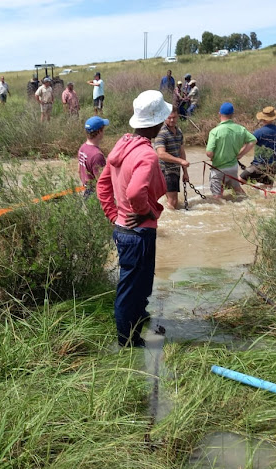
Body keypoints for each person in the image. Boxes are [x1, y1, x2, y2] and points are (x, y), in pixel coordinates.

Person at [96, 90, 171, 347]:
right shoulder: (147, 155)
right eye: (161, 120)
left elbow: (102, 185)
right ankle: (127, 341)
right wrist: (145, 212)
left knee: (140, 284)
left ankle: (139, 319)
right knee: (130, 290)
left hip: (124, 229)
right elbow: (136, 192)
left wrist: (113, 215)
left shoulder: (122, 145)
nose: (163, 124)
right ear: (156, 123)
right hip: (139, 231)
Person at [205, 102, 256, 201]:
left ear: (219, 114)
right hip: (233, 167)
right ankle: (249, 202)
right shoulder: (241, 129)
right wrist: (240, 155)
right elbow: (253, 140)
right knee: (237, 190)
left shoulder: (215, 131)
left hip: (218, 169)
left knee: (217, 197)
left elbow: (209, 152)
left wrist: (212, 157)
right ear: (232, 115)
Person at [154, 107, 190, 210]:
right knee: (173, 201)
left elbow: (181, 152)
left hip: (176, 170)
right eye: (169, 118)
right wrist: (180, 161)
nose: (172, 120)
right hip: (166, 170)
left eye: (174, 117)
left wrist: (185, 172)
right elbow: (161, 154)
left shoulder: (179, 131)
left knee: (171, 199)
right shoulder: (161, 133)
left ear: (178, 116)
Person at [240, 106, 276, 186]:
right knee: (267, 189)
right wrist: (275, 160)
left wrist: (238, 156)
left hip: (258, 165)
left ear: (262, 119)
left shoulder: (259, 132)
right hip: (272, 166)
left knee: (240, 180)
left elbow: (248, 146)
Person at [78, 116, 109, 197]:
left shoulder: (82, 148)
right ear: (99, 132)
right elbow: (102, 181)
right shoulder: (97, 155)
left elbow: (79, 171)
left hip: (87, 190)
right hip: (95, 194)